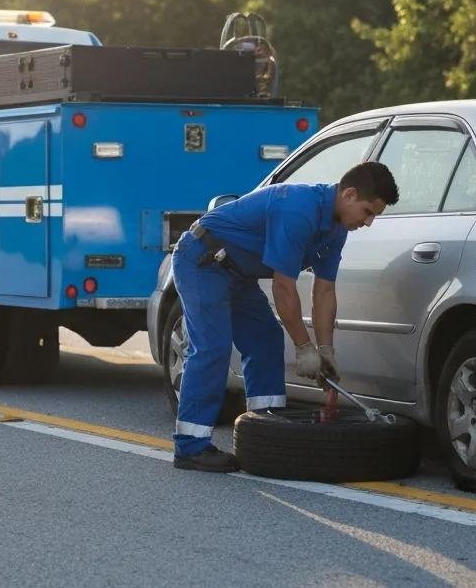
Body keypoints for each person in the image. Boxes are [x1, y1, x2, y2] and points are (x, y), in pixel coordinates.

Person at [171, 161, 400, 472]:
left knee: (264, 339)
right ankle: (191, 447)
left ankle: (266, 431)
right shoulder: (298, 209)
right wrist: (304, 348)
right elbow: (283, 287)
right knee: (213, 347)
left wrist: (326, 351)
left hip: (235, 271)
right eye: (368, 212)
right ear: (349, 195)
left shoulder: (336, 229)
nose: (369, 222)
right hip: (202, 260)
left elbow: (324, 292)